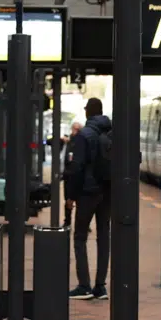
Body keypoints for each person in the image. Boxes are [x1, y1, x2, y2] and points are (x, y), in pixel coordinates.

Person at [64, 99, 112, 300]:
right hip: (107, 191)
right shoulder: (112, 132)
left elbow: (77, 168)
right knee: (103, 236)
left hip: (87, 192)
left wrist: (71, 196)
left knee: (80, 237)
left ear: (88, 112)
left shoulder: (84, 135)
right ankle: (100, 286)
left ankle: (84, 285)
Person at [62, 121, 83, 230]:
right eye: (74, 129)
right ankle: (67, 221)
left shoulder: (81, 141)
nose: (75, 132)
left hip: (78, 175)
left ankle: (81, 224)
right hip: (68, 175)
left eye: (78, 130)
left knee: (79, 201)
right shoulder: (68, 141)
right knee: (68, 200)